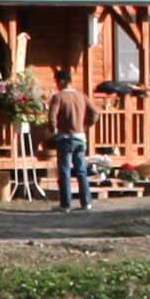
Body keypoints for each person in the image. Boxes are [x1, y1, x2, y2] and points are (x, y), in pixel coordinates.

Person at [48, 67, 94, 211]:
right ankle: (86, 202)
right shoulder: (82, 96)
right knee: (81, 171)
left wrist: (54, 130)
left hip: (65, 138)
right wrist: (86, 126)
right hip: (81, 138)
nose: (56, 84)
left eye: (57, 81)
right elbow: (95, 113)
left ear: (62, 81)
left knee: (65, 171)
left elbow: (52, 116)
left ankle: (66, 204)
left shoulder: (59, 96)